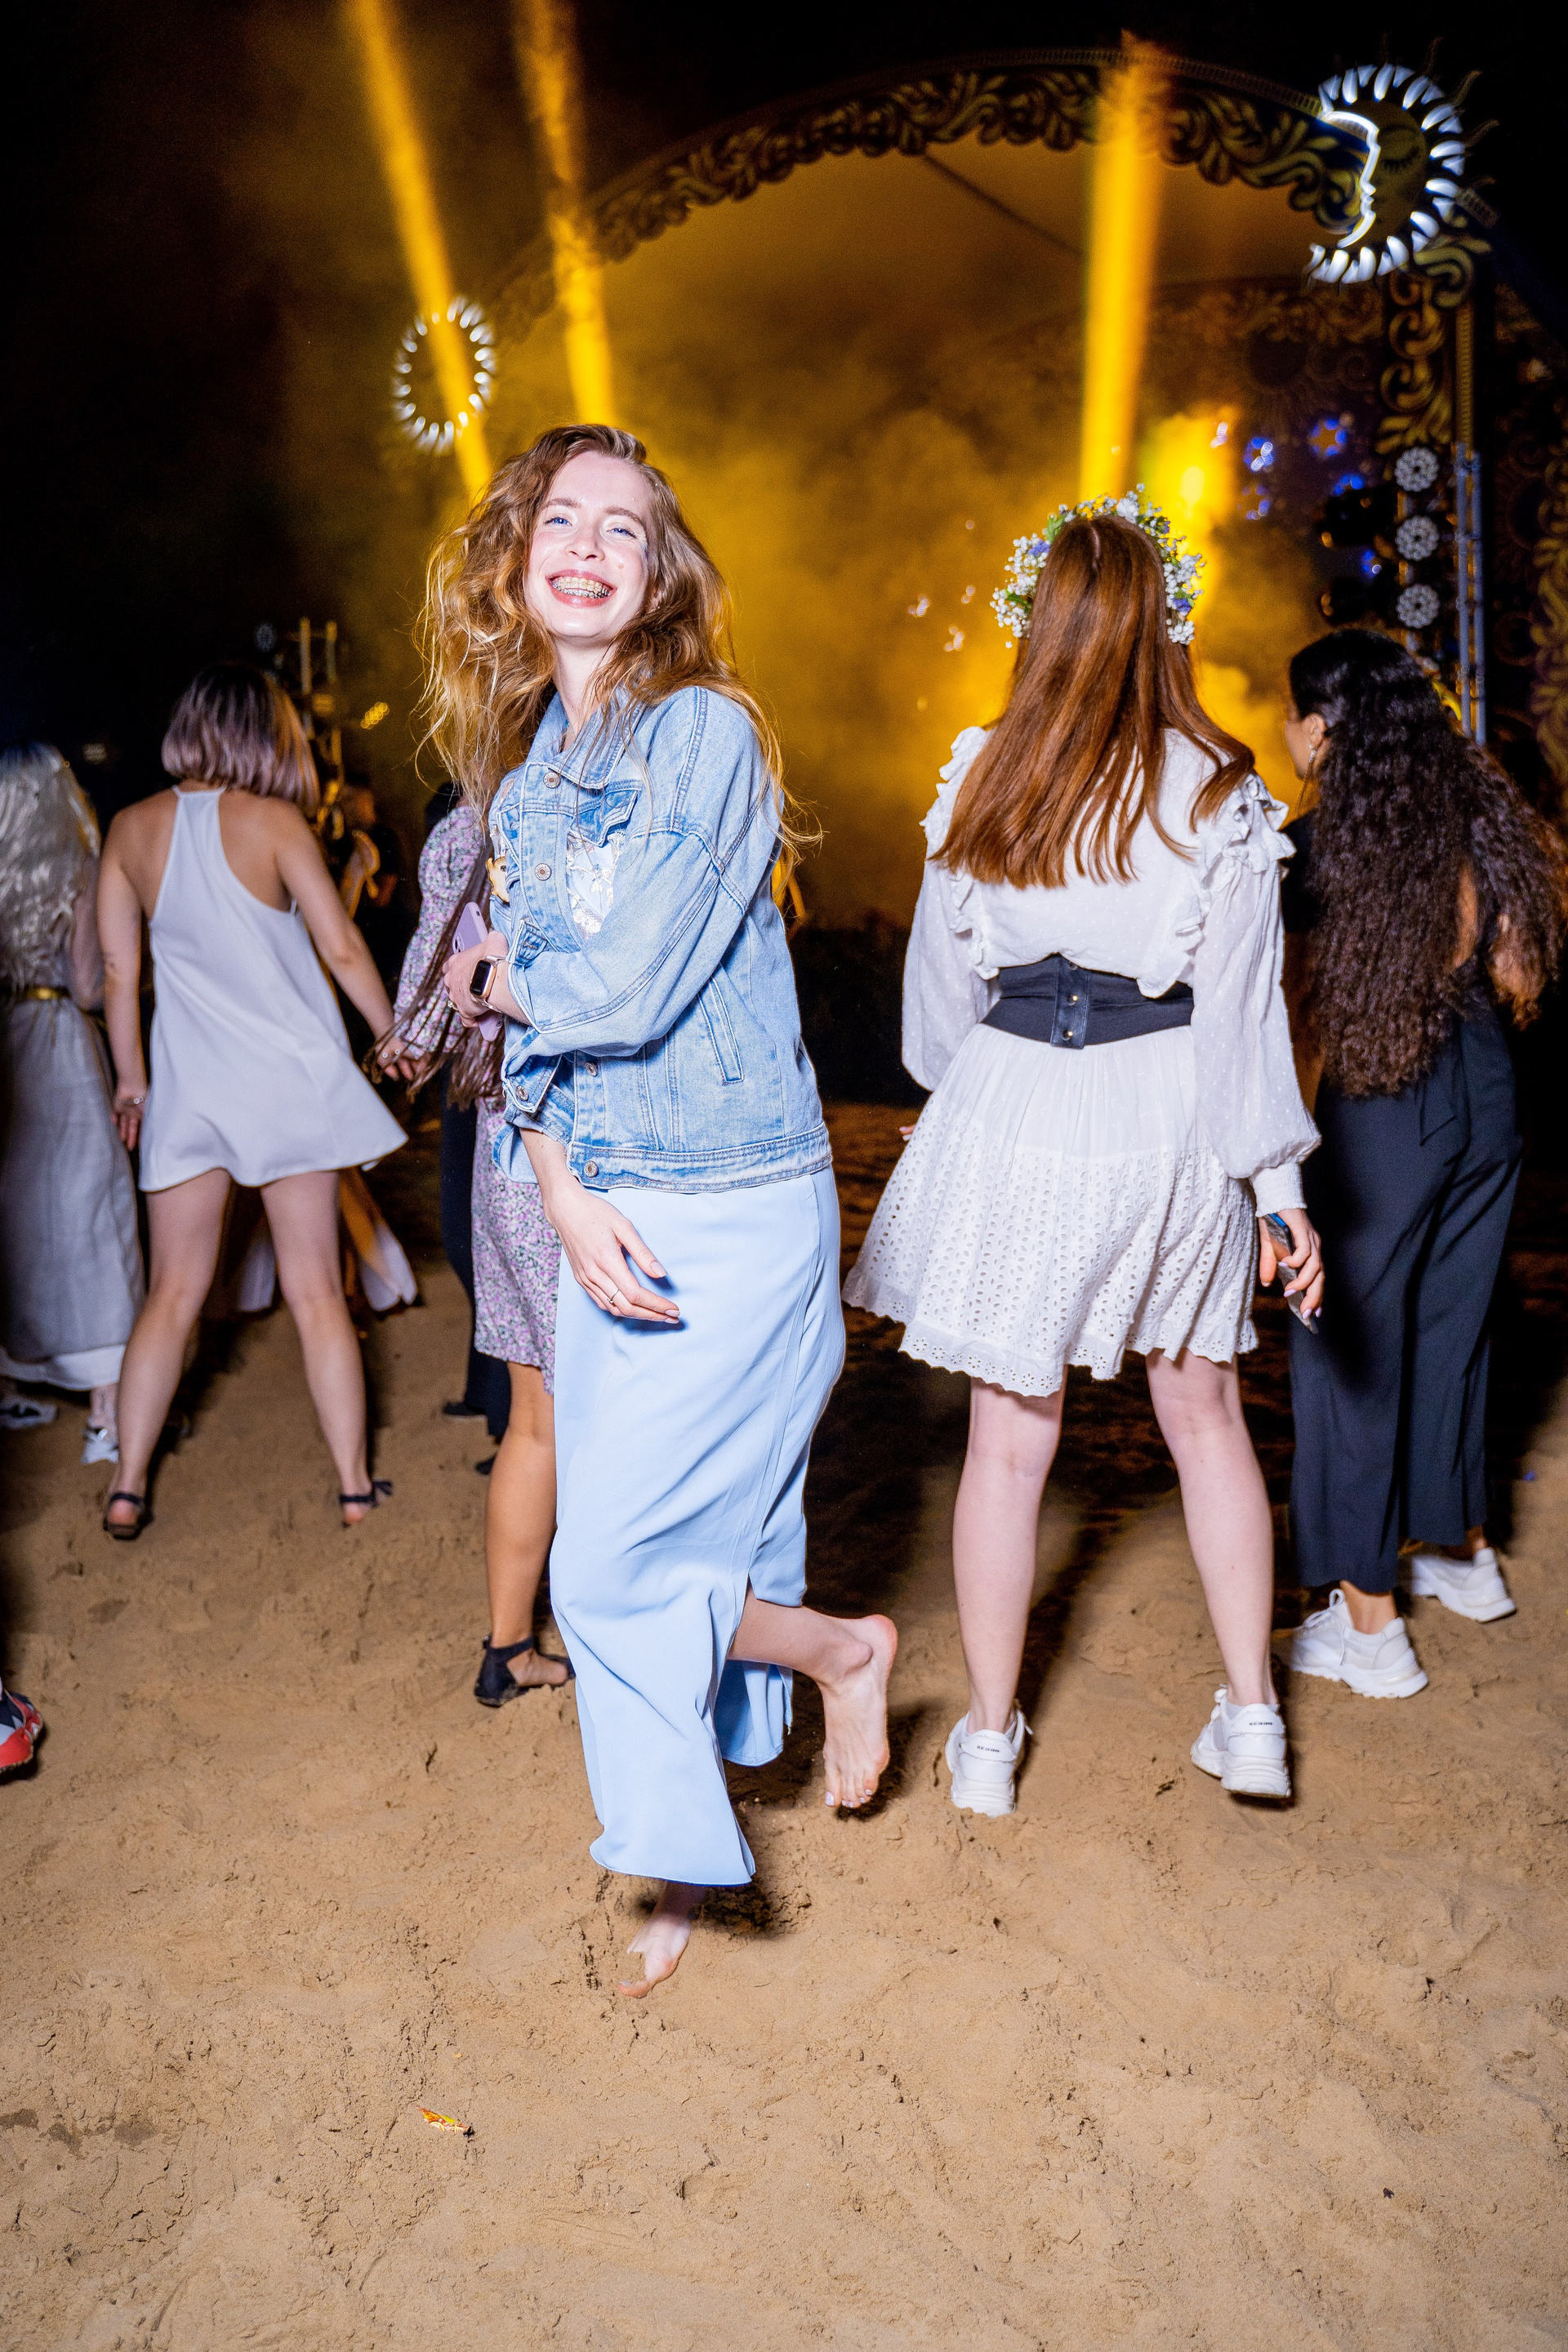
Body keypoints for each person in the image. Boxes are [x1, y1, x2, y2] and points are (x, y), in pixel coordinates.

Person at [430, 424, 896, 1996]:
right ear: (517, 562)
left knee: (616, 1568)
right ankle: (751, 1764)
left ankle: (772, 1738)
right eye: (560, 519)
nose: (585, 547)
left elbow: (619, 989)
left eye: (622, 529)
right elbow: (532, 1061)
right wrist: (562, 1194)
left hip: (738, 1196)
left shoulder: (703, 733)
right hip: (609, 1204)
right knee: (659, 1547)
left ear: (660, 577)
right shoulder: (522, 793)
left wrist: (498, 974)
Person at [845, 497, 1322, 1814]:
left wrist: (972, 1097)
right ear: (1166, 626)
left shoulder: (982, 770)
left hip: (1016, 1096)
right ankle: (1254, 1716)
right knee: (1206, 1418)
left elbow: (935, 1002)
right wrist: (1279, 1190)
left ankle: (989, 1742)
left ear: (1038, 623)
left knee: (1009, 1441)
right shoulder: (1222, 791)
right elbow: (1245, 1017)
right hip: (1168, 1106)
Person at [1276, 630, 1565, 1695]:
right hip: (1488, 1082)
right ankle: (1460, 1550)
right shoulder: (1468, 804)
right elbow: (1518, 965)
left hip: (1392, 1093)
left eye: (1291, 718)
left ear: (1319, 729)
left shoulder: (1326, 838)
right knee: (1452, 1324)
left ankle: (1368, 1623)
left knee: (1343, 1344)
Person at [97, 663, 411, 1539]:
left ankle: (127, 1484)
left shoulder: (130, 829)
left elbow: (120, 973)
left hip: (189, 1090)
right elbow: (341, 946)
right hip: (286, 1088)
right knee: (316, 1294)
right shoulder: (274, 821)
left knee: (170, 1295)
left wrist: (131, 1079)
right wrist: (391, 1035)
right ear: (266, 736)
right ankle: (353, 1488)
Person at [389, 797, 569, 1701]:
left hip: (502, 1143)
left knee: (535, 1417)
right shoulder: (588, 803)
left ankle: (508, 1649)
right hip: (583, 1145)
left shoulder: (465, 827)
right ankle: (621, 1646)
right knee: (606, 1416)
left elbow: (417, 1018)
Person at [0, 743, 143, 1462]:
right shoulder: (80, 868)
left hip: (6, 1042)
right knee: (91, 1214)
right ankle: (105, 1416)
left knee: (15, 1216)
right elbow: (90, 984)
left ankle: (10, 1386)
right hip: (59, 1040)